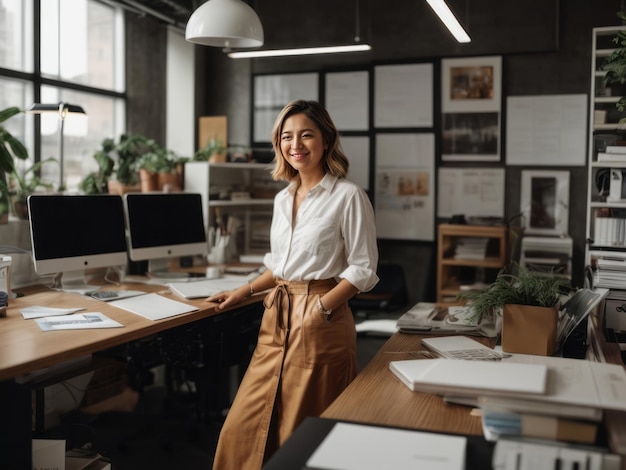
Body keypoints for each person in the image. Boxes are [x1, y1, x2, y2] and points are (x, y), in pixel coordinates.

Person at [208, 99, 379, 470]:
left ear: (326, 139)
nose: (295, 144)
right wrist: (244, 291)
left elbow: (363, 269)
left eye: (306, 134)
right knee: (242, 428)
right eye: (287, 136)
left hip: (321, 317)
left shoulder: (348, 196)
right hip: (277, 315)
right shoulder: (282, 198)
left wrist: (320, 309)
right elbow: (280, 267)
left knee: (298, 432)